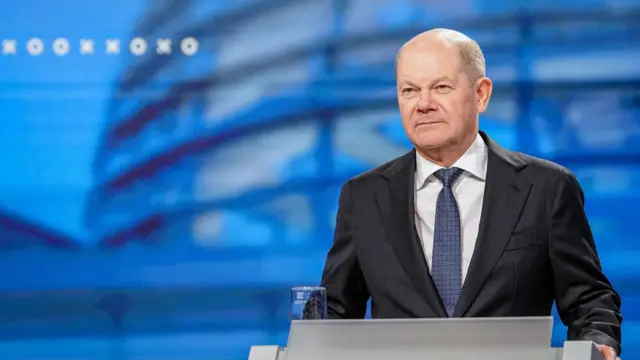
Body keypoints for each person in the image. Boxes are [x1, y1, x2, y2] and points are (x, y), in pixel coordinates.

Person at [319, 28, 622, 359]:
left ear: (481, 94)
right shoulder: (363, 196)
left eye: (441, 87)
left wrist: (597, 342)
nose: (423, 104)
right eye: (409, 90)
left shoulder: (547, 187)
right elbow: (335, 312)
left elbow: (587, 298)